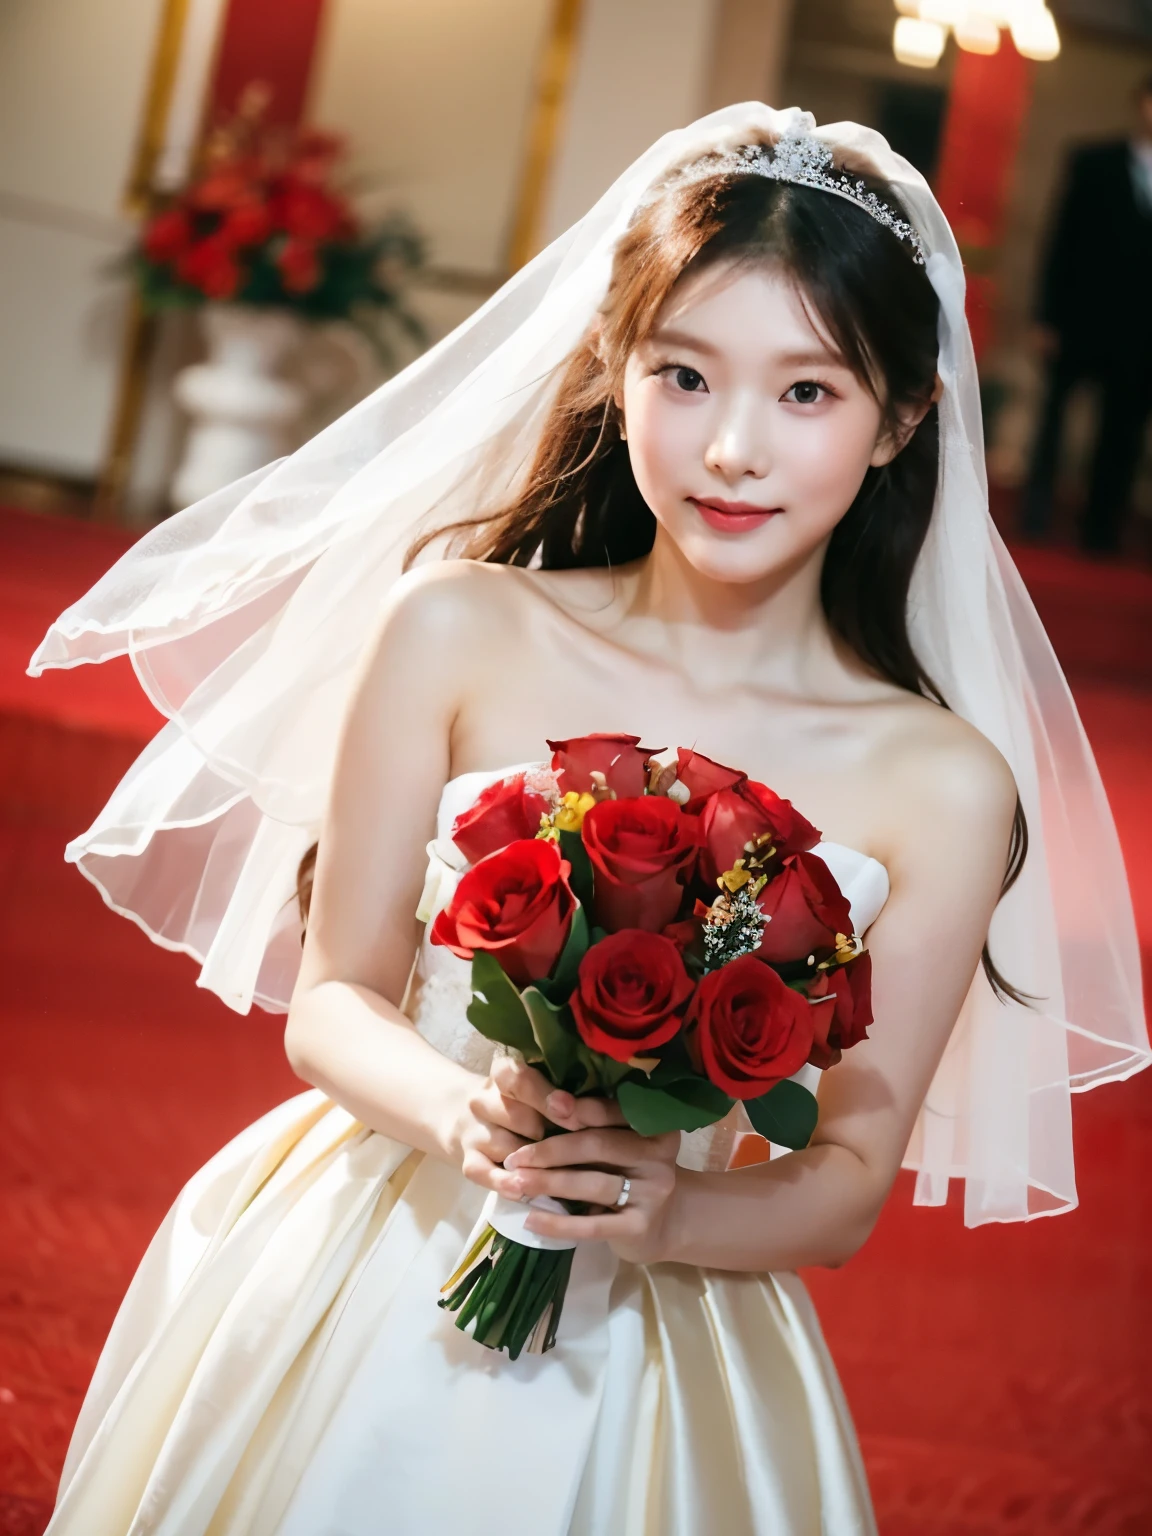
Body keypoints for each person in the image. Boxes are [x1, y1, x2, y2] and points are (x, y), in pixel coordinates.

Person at [29, 105, 1148, 1535]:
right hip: (382, 1235)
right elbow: (335, 1000)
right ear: (616, 373)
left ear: (903, 422)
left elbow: (848, 1183)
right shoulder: (456, 629)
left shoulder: (941, 781)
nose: (731, 447)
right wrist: (468, 1114)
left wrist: (668, 1210)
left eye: (807, 394)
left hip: (662, 1324)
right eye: (684, 375)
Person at [1022, 74, 1152, 553]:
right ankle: (1035, 514)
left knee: (1121, 433)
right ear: (1141, 104)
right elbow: (1061, 241)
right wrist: (1046, 316)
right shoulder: (1094, 161)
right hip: (1080, 318)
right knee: (1053, 420)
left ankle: (1101, 530)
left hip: (1141, 334)